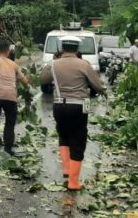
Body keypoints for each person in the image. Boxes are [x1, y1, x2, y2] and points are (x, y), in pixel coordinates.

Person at [40, 36, 105, 190]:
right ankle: (74, 182)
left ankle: (66, 169)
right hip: (78, 107)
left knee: (63, 136)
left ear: (62, 48)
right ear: (77, 49)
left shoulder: (53, 64)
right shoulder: (84, 64)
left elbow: (43, 80)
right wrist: (102, 91)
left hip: (59, 106)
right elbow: (98, 85)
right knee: (78, 140)